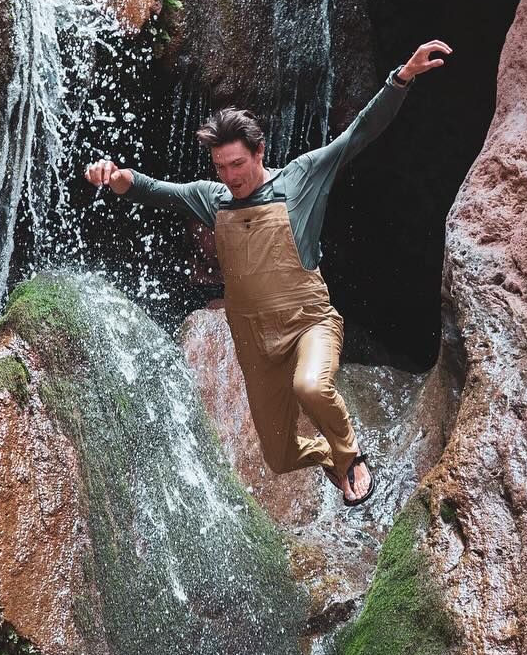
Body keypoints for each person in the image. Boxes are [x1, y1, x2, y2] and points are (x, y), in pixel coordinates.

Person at [85, 40, 452, 507]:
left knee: (311, 386)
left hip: (309, 323)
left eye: (237, 163)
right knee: (278, 456)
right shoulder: (211, 197)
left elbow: (357, 134)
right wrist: (118, 179)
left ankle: (352, 455)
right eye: (221, 166)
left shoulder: (299, 178)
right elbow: (157, 190)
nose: (230, 175)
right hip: (253, 340)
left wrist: (400, 78)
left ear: (259, 152)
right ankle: (330, 459)